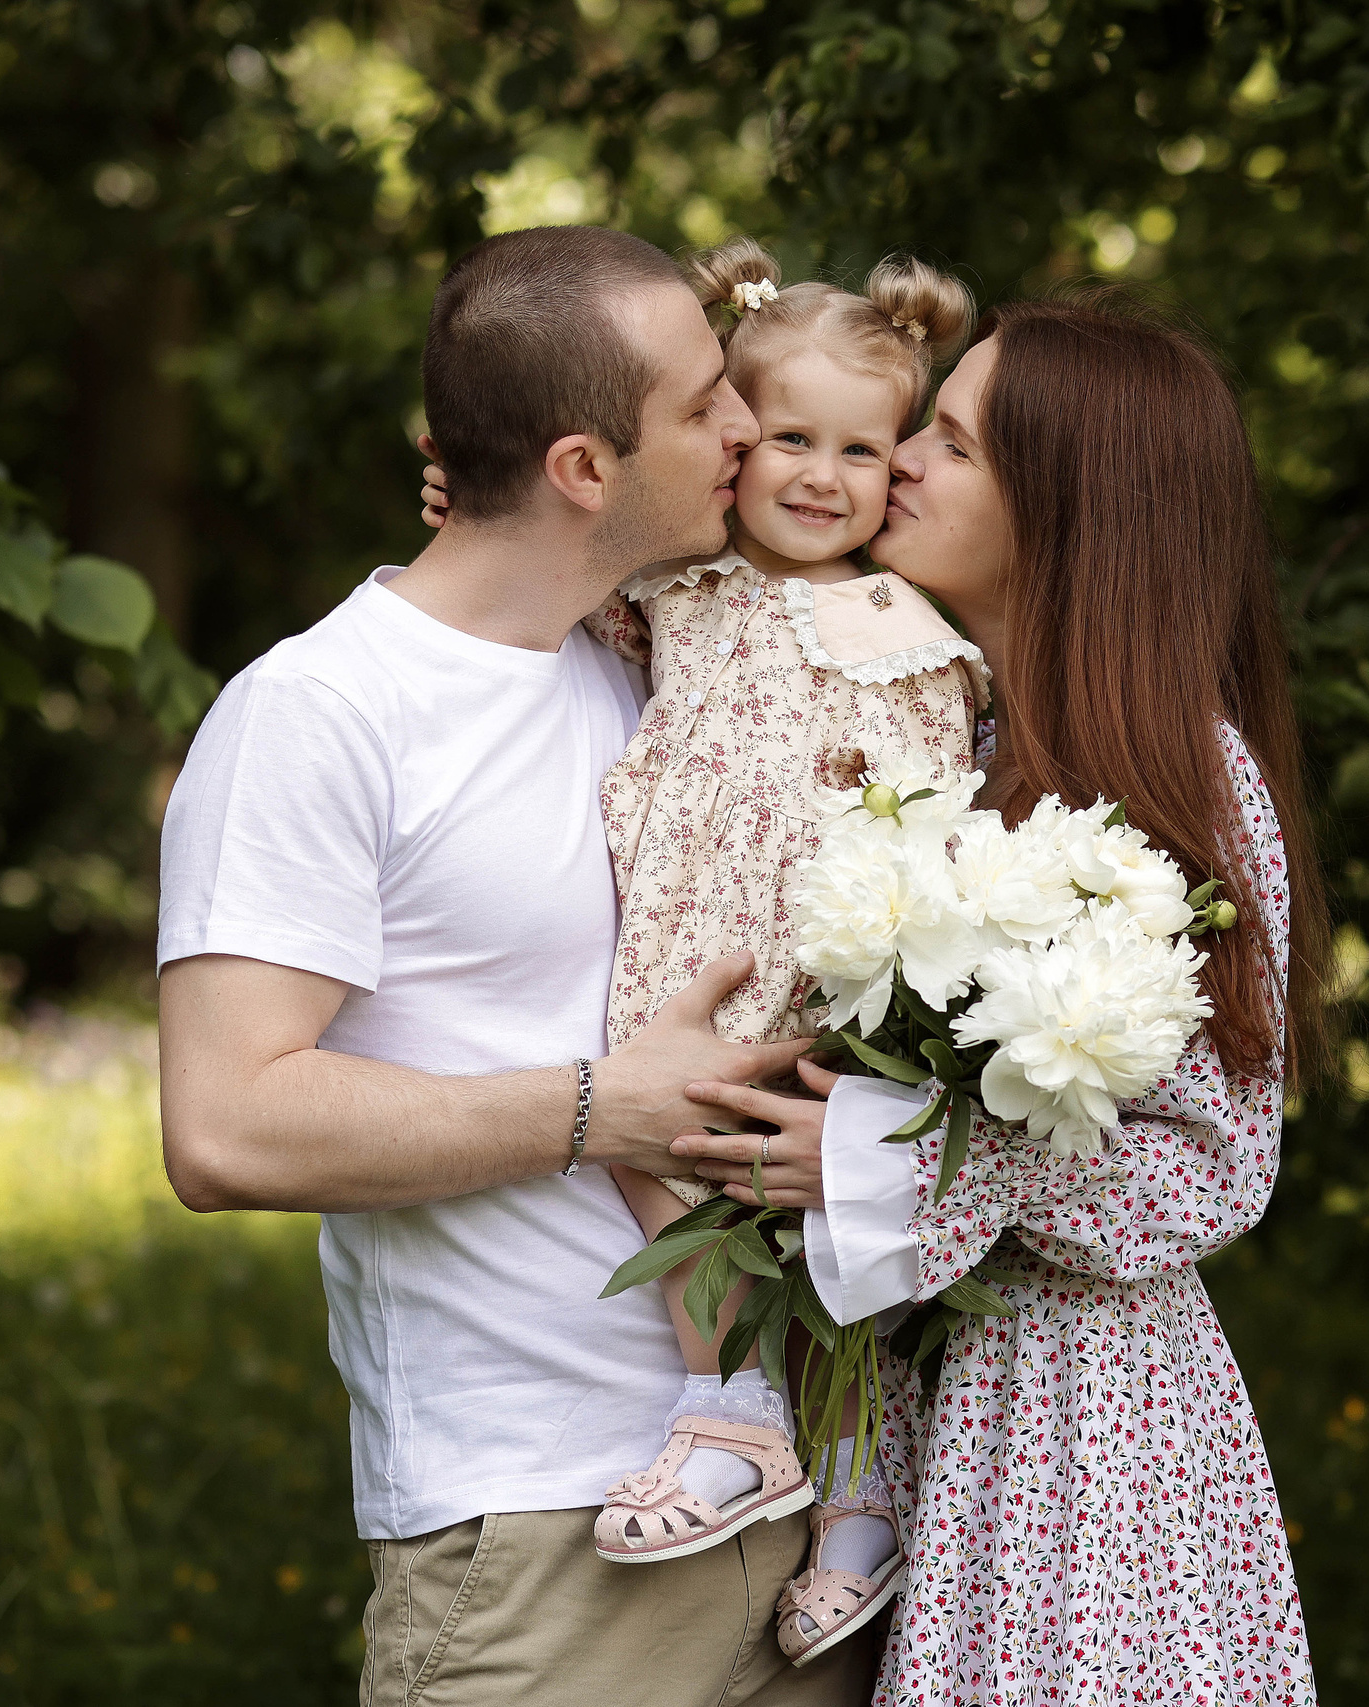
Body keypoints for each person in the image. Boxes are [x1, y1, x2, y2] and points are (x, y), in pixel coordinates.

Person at [155, 224, 874, 1707]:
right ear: (580, 469)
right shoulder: (319, 714)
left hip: (810, 1522)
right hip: (543, 1534)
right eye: (704, 407)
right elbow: (224, 1127)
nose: (747, 424)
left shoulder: (665, 662)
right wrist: (601, 1107)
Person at [665, 294, 1333, 1704]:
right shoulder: (927, 725)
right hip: (920, 1410)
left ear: (1067, 508)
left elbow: (1214, 1172)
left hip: (1083, 1428)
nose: (897, 457)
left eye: (952, 444)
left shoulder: (1182, 782)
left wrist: (885, 1161)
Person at [420, 237, 981, 1667]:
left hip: (835, 961)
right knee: (653, 1149)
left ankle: (856, 1485)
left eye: (862, 449)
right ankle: (734, 1408)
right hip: (686, 950)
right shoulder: (685, 589)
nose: (819, 474)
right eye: (787, 435)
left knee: (829, 1210)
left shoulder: (922, 627)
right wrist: (458, 496)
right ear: (731, 434)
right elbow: (534, 557)